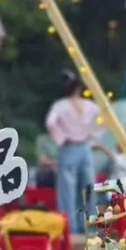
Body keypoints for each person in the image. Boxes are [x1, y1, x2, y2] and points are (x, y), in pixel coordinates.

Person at [45, 70, 101, 235]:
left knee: (67, 190)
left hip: (69, 146)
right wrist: (92, 134)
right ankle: (89, 225)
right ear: (79, 87)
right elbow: (102, 119)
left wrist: (62, 138)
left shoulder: (60, 105)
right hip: (84, 146)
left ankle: (69, 227)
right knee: (88, 187)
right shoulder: (90, 105)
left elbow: (50, 123)